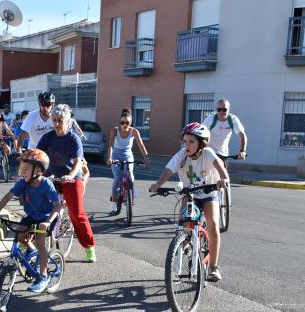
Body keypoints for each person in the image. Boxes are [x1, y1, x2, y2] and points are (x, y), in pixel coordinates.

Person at [150, 122, 229, 282]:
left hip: (209, 194)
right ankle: (185, 241)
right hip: (190, 194)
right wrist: (158, 185)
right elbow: (168, 170)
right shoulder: (181, 156)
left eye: (191, 141)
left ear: (202, 143)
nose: (187, 145)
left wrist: (223, 177)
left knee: (213, 223)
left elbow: (219, 164)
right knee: (185, 220)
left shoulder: (207, 153)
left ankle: (213, 267)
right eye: (184, 141)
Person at [0, 149, 60, 293]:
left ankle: (44, 276)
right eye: (21, 168)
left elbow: (57, 206)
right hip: (31, 216)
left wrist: (47, 222)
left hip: (46, 218)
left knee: (40, 241)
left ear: (38, 170)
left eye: (26, 169)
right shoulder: (23, 183)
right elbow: (8, 196)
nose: (22, 171)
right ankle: (34, 253)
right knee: (21, 236)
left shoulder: (46, 184)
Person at [37, 104, 97, 263]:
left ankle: (89, 247)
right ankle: (28, 239)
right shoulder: (48, 137)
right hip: (51, 177)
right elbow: (39, 155)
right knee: (38, 207)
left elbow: (78, 162)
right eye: (54, 120)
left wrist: (70, 175)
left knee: (77, 214)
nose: (56, 124)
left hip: (71, 179)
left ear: (67, 121)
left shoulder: (73, 139)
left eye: (60, 121)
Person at [106, 108, 151, 214]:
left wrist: (146, 158)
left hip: (128, 155)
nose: (124, 124)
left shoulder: (134, 131)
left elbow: (140, 144)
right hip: (116, 155)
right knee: (117, 177)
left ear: (130, 123)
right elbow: (111, 145)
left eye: (127, 122)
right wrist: (109, 158)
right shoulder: (114, 130)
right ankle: (114, 202)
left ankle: (131, 190)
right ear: (119, 122)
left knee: (130, 174)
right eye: (122, 122)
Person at [201, 98, 248, 167]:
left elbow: (242, 135)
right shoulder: (210, 119)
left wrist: (242, 151)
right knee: (207, 176)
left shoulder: (233, 120)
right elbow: (201, 134)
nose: (221, 112)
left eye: (224, 110)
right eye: (219, 110)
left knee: (223, 177)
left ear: (229, 110)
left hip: (223, 154)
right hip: (209, 153)